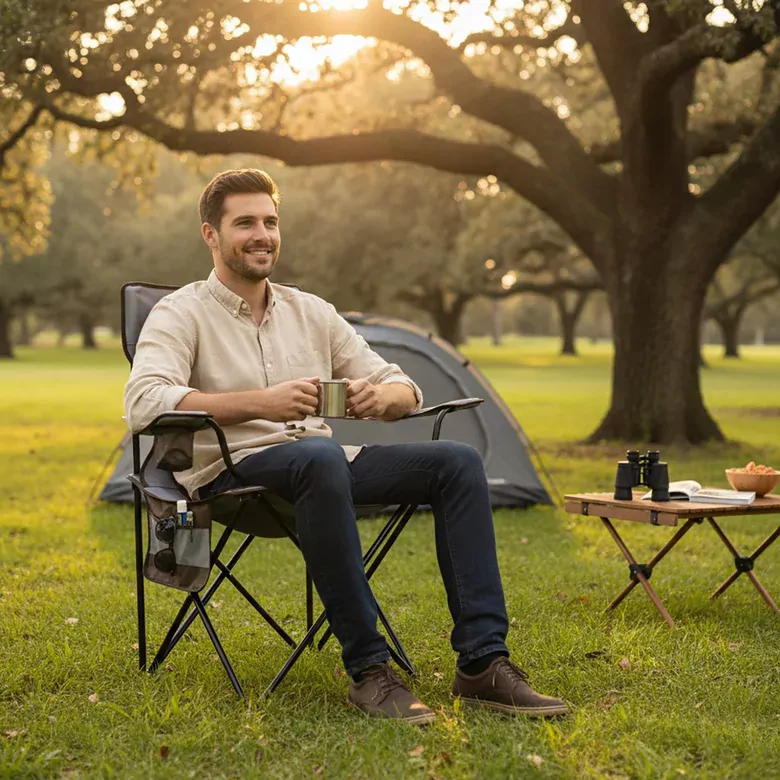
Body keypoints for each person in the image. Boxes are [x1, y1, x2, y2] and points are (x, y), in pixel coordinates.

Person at [124, 168, 568, 724]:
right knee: (320, 456)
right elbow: (145, 402)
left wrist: (383, 398)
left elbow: (401, 383)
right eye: (245, 223)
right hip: (231, 475)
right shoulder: (180, 312)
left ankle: (482, 664)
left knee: (456, 461)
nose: (263, 235)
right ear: (211, 234)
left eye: (270, 222)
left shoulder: (312, 311)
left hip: (324, 468)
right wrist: (262, 403)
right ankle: (369, 670)